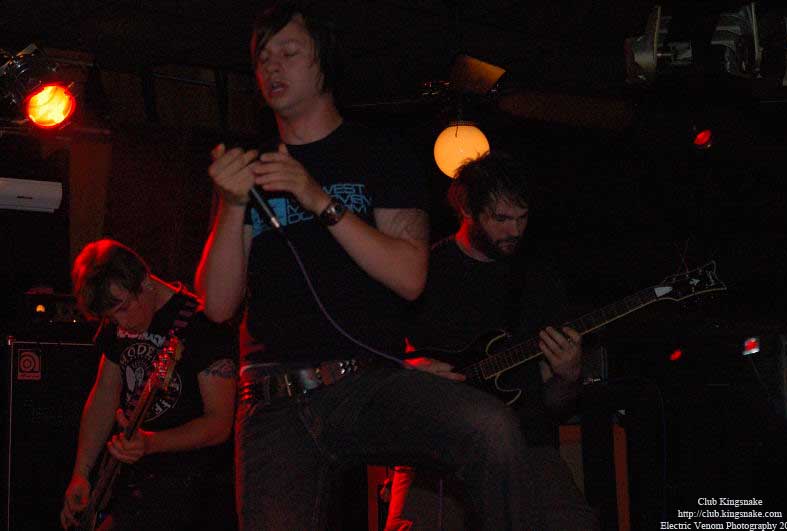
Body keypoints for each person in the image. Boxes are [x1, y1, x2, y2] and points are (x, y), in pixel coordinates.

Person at [195, 1, 552, 529]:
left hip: (365, 384)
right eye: (263, 58)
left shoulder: (381, 155)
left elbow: (410, 278)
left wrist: (318, 199)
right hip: (275, 397)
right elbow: (217, 304)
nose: (272, 66)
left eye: (288, 52)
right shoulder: (247, 169)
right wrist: (231, 204)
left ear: (324, 61)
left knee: (489, 427)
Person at [381, 151, 597, 530]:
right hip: (437, 446)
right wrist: (410, 369)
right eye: (501, 218)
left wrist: (568, 375)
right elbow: (380, 360)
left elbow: (555, 404)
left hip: (525, 446)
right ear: (468, 210)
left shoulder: (540, 282)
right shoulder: (423, 272)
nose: (514, 230)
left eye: (522, 218)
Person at [60, 239, 237, 531]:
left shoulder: (202, 324)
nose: (120, 323)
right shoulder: (117, 324)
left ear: (145, 281)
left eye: (123, 308)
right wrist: (81, 473)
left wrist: (151, 443)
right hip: (131, 484)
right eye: (110, 316)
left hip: (192, 488)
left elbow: (219, 424)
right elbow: (104, 396)